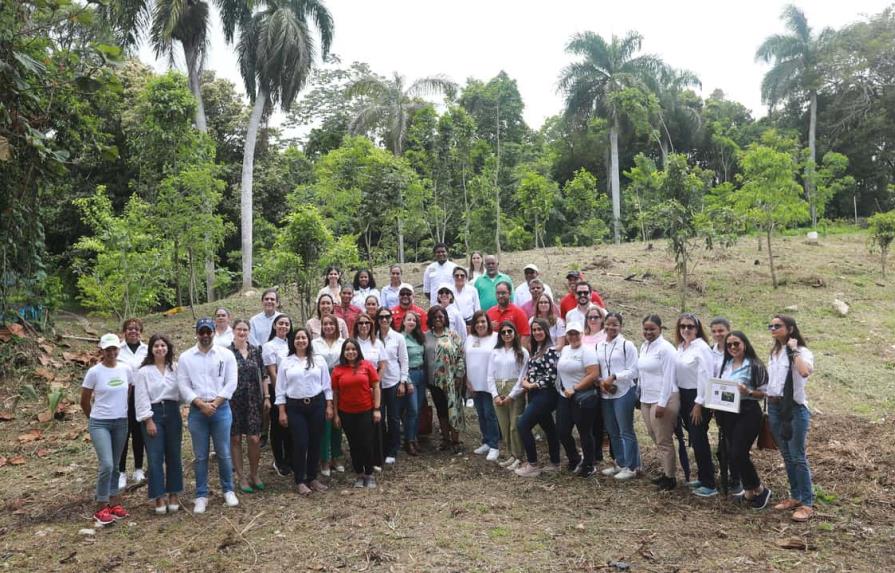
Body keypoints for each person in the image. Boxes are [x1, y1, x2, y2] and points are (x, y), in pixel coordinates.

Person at [177, 318, 239, 513]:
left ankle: (228, 489)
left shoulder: (226, 355)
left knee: (223, 452)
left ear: (214, 332)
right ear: (196, 332)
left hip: (221, 409)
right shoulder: (186, 357)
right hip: (197, 411)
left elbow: (231, 382)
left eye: (208, 331)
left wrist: (215, 403)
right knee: (201, 455)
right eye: (201, 332)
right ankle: (201, 494)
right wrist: (201, 404)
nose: (205, 335)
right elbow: (183, 385)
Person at [766, 315, 815, 522]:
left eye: (778, 326)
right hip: (775, 407)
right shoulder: (774, 352)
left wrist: (793, 350)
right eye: (771, 326)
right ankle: (795, 496)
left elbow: (804, 372)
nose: (773, 328)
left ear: (790, 329)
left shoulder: (801, 352)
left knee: (797, 456)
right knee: (786, 455)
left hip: (794, 409)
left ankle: (807, 503)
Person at [81, 333, 132, 526]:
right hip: (100, 422)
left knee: (117, 464)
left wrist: (121, 410)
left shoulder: (125, 369)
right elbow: (84, 400)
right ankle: (101, 504)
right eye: (107, 349)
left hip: (120, 422)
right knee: (107, 464)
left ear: (118, 350)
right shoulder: (94, 372)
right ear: (101, 351)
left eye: (114, 349)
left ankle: (114, 501)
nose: (111, 353)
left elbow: (128, 391)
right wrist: (93, 418)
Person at [717, 331, 772, 509]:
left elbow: (765, 393)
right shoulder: (725, 364)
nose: (733, 347)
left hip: (747, 412)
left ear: (745, 344)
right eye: (729, 344)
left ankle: (760, 489)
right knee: (734, 453)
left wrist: (747, 392)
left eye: (736, 344)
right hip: (727, 413)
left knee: (738, 452)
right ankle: (749, 490)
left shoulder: (754, 365)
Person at [275, 328, 333, 496]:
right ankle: (300, 480)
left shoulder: (318, 360)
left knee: (315, 442)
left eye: (304, 337)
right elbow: (280, 390)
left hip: (317, 404)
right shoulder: (286, 362)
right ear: (293, 341)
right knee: (300, 443)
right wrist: (282, 412)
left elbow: (327, 386)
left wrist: (329, 406)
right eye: (298, 338)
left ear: (309, 340)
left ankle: (312, 477)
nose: (301, 340)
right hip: (295, 407)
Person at [134, 333, 183, 513]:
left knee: (174, 455)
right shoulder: (144, 371)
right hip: (153, 414)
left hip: (172, 412)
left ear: (168, 348)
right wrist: (148, 420)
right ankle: (158, 496)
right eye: (156, 346)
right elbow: (140, 397)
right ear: (151, 349)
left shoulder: (175, 368)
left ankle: (173, 493)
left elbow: (183, 390)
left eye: (163, 345)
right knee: (155, 458)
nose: (160, 348)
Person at [674, 312, 718, 497]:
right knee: (693, 436)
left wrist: (699, 403)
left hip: (697, 397)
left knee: (699, 439)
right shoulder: (681, 347)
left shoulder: (701, 347)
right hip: (683, 395)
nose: (686, 329)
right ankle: (702, 476)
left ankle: (710, 483)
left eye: (690, 326)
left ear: (697, 328)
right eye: (683, 326)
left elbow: (706, 376)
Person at [512, 318, 562, 477]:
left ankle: (533, 464)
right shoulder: (536, 350)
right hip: (534, 394)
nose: (536, 332)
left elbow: (552, 375)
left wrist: (533, 385)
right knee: (549, 428)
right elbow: (534, 371)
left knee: (523, 424)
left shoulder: (551, 350)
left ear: (546, 331)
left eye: (540, 329)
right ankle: (555, 462)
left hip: (545, 394)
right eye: (534, 330)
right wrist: (526, 381)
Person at [637, 315, 680, 491]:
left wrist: (662, 403)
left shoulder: (666, 349)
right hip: (646, 398)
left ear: (660, 329)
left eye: (652, 329)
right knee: (654, 435)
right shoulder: (644, 346)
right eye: (645, 329)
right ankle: (665, 472)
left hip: (664, 398)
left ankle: (670, 477)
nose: (648, 332)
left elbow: (669, 377)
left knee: (664, 440)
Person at [332, 339, 381, 489]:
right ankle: (359, 474)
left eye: (353, 349)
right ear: (343, 352)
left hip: (365, 410)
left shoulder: (367, 366)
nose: (350, 352)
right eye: (347, 349)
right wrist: (336, 414)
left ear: (358, 350)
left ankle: (369, 473)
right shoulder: (337, 370)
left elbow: (376, 386)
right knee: (354, 445)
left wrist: (377, 409)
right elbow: (335, 393)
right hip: (346, 413)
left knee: (366, 443)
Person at [596, 312, 640, 481]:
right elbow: (598, 369)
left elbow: (633, 370)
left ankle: (632, 466)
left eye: (615, 324)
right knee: (613, 431)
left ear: (621, 326)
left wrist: (614, 377)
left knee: (625, 430)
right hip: (606, 393)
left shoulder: (626, 345)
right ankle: (620, 462)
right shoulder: (600, 345)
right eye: (608, 324)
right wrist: (602, 383)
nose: (611, 327)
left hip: (623, 391)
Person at [227, 319, 267, 494]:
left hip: (253, 401)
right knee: (235, 439)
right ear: (233, 331)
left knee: (254, 439)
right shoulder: (227, 352)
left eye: (245, 329)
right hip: (233, 401)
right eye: (239, 329)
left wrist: (266, 396)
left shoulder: (255, 351)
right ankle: (241, 477)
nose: (242, 332)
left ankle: (254, 474)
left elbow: (264, 375)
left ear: (249, 332)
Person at [556, 322, 600, 477]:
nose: (573, 337)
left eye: (576, 333)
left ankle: (589, 464)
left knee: (584, 432)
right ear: (566, 336)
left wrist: (575, 388)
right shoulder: (566, 350)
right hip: (565, 396)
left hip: (582, 396)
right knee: (562, 430)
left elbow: (593, 374)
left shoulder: (587, 351)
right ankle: (574, 458)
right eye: (570, 334)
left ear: (582, 334)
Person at [424, 305, 466, 452]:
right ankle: (445, 439)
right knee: (441, 410)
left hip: (451, 380)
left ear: (445, 318)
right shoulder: (426, 336)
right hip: (434, 381)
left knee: (454, 409)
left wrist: (459, 375)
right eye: (435, 317)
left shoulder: (453, 335)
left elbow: (461, 356)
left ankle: (455, 440)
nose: (438, 319)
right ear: (430, 319)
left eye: (441, 317)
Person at [491, 321, 529, 470]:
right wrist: (495, 394)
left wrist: (512, 395)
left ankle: (519, 455)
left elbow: (522, 376)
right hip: (499, 388)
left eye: (510, 331)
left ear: (515, 333)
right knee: (504, 425)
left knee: (515, 425)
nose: (507, 334)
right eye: (503, 332)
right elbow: (490, 374)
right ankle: (510, 454)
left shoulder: (522, 352)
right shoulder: (495, 352)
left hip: (515, 390)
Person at [312, 316, 346, 477]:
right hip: (321, 385)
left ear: (336, 326)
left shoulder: (343, 342)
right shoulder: (315, 343)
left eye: (331, 324)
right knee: (325, 421)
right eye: (325, 324)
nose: (328, 326)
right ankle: (324, 458)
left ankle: (337, 457)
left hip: (339, 384)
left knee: (337, 422)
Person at [464, 311, 500, 462]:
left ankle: (494, 445)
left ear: (488, 323)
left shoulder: (496, 337)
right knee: (481, 413)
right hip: (474, 383)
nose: (480, 325)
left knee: (490, 414)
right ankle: (485, 441)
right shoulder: (470, 338)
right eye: (477, 322)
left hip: (489, 383)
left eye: (483, 321)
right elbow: (465, 360)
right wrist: (467, 381)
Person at [375, 307, 409, 466]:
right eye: (380, 317)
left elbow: (404, 360)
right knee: (379, 417)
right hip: (377, 384)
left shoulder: (398, 338)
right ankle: (381, 448)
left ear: (391, 319)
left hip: (393, 382)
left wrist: (403, 382)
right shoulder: (372, 337)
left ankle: (393, 450)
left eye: (386, 317)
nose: (383, 320)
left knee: (394, 418)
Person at [708, 317, 738, 495]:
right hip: (717, 401)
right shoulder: (711, 351)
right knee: (723, 440)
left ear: (728, 330)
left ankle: (736, 477)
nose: (718, 334)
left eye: (721, 331)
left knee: (733, 442)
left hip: (734, 401)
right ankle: (725, 475)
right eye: (714, 331)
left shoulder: (734, 350)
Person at [117, 318, 147, 490]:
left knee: (138, 432)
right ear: (124, 331)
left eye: (136, 329)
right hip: (122, 394)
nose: (133, 331)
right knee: (123, 432)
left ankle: (138, 468)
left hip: (141, 394)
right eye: (129, 329)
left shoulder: (146, 349)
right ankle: (121, 471)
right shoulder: (118, 349)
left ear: (140, 331)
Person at [262, 314, 294, 477]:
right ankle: (279, 460)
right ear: (274, 326)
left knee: (290, 426)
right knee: (277, 426)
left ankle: (290, 458)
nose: (283, 326)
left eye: (287, 324)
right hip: (278, 391)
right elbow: (272, 372)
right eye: (280, 323)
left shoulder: (292, 343)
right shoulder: (269, 346)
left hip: (294, 390)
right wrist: (280, 393)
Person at [400, 311, 427, 456]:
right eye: (408, 319)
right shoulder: (400, 338)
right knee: (413, 409)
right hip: (409, 375)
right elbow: (400, 362)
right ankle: (408, 440)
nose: (411, 322)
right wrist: (407, 381)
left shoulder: (418, 337)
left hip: (421, 374)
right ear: (403, 322)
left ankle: (414, 437)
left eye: (414, 320)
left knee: (418, 409)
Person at [486, 282, 530, 347]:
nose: (500, 296)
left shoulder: (519, 312)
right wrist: (489, 327)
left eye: (503, 293)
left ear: (509, 293)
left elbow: (525, 335)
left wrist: (519, 352)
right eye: (498, 293)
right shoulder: (489, 312)